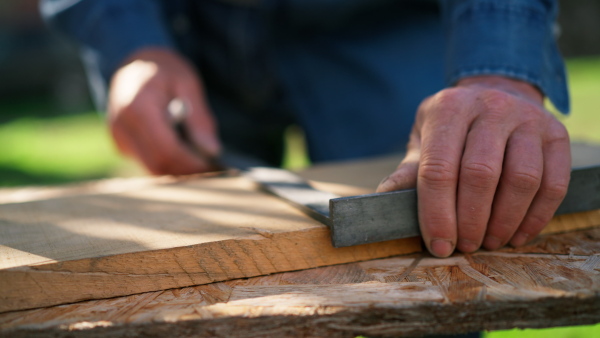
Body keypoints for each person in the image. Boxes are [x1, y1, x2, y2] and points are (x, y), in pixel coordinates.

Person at [41, 0, 572, 258]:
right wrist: (129, 41)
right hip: (187, 30)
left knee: (438, 236)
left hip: (378, 25)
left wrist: (501, 67)